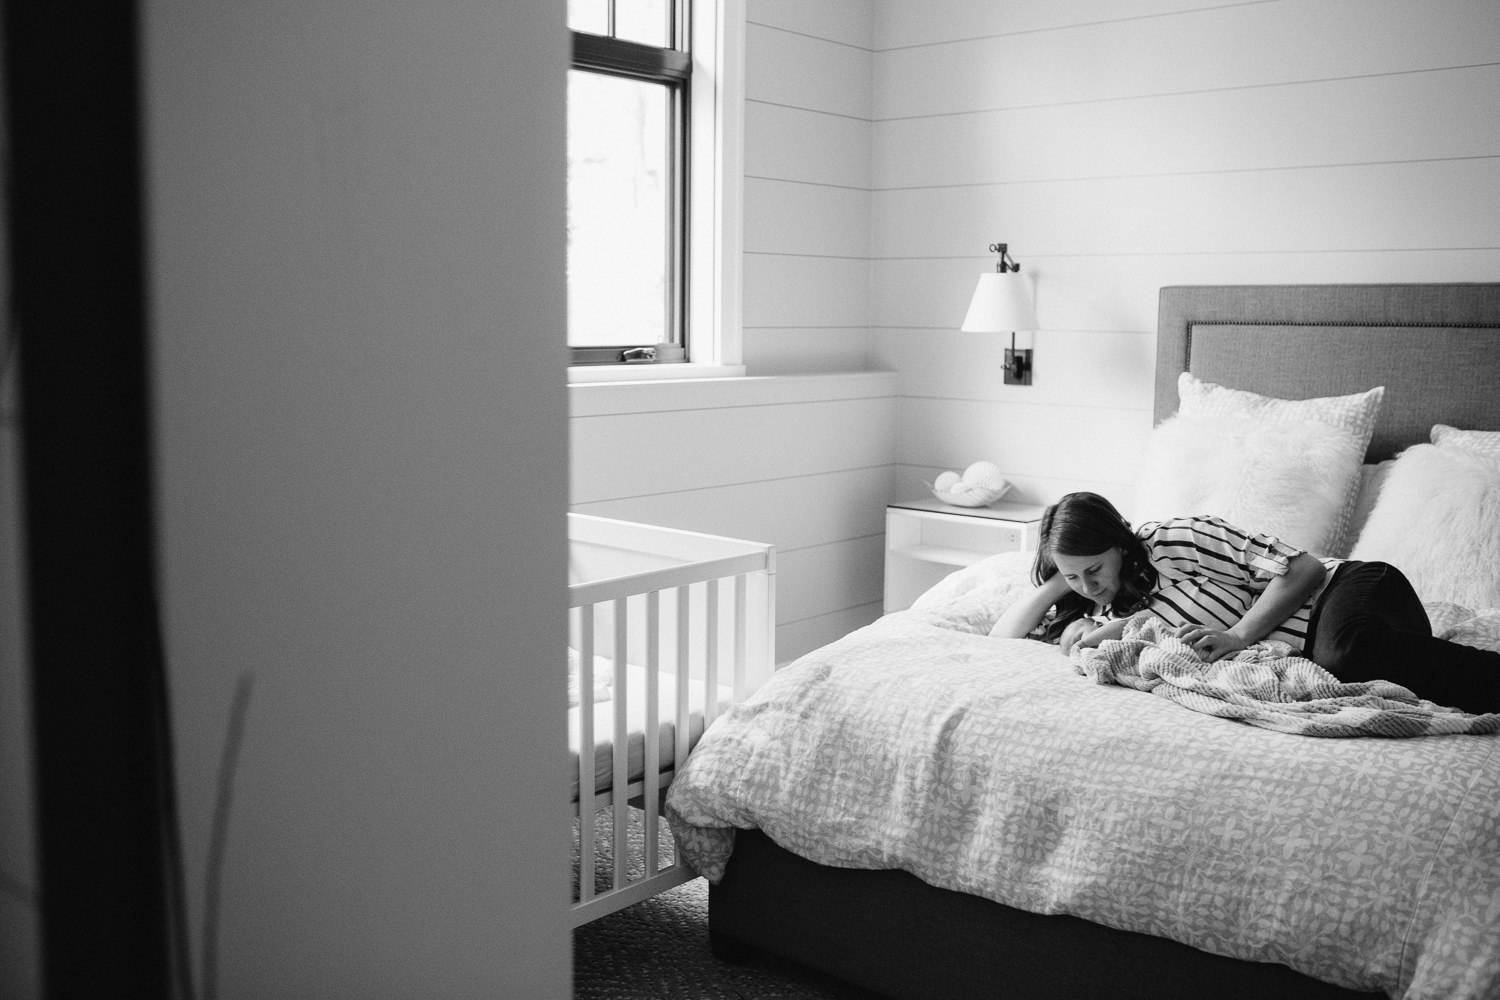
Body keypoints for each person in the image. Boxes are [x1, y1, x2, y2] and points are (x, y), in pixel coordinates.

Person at [992, 491, 1500, 715]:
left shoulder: (1177, 538)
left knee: (1346, 654)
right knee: (1344, 665)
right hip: (1337, 641)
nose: (1088, 585)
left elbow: (1300, 568)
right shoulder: (1104, 610)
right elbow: (1002, 641)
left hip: (1352, 589)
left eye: (1095, 569)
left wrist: (1237, 637)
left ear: (1121, 545)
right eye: (1074, 576)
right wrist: (1065, 577)